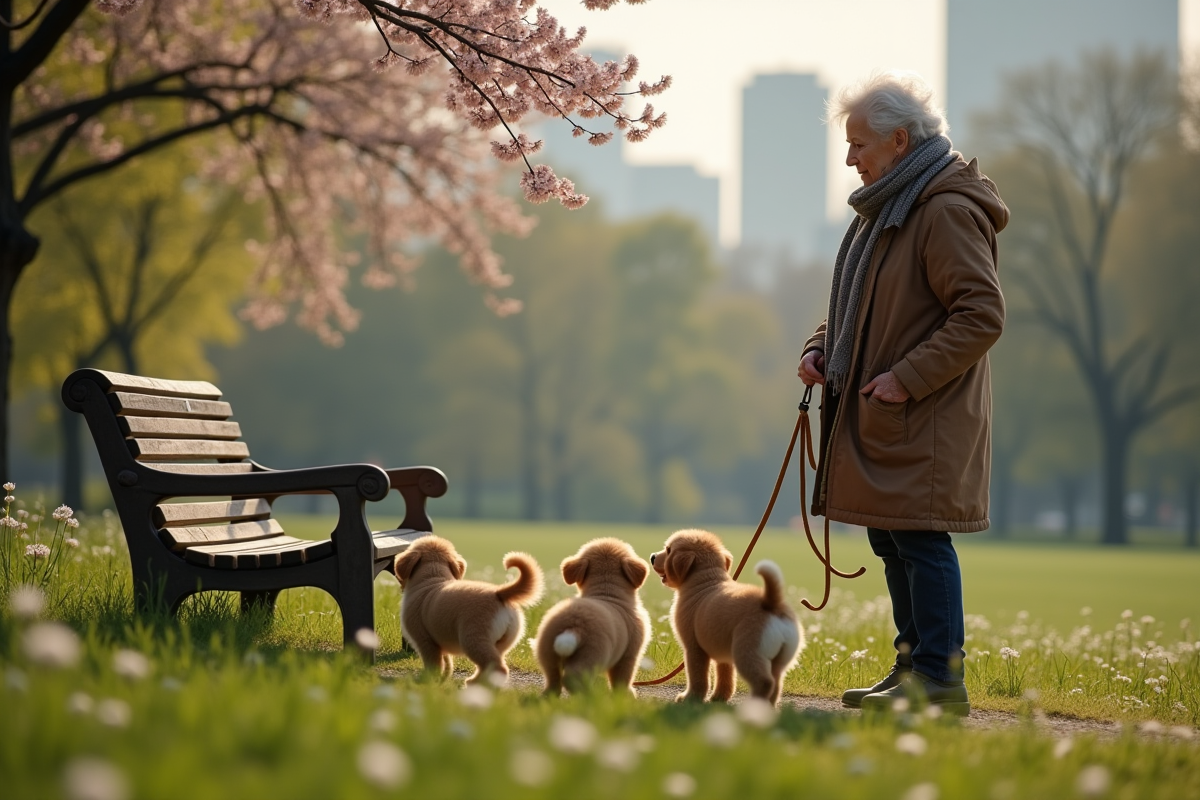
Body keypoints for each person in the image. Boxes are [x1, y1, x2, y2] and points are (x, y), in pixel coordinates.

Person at [797, 72, 1007, 716]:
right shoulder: (893, 205)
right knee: (892, 538)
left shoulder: (941, 209)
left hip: (923, 413)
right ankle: (913, 667)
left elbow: (980, 314)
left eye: (859, 144)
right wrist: (818, 346)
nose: (850, 158)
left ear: (897, 139)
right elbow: (863, 304)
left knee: (919, 539)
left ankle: (941, 682)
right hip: (885, 410)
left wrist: (907, 378)